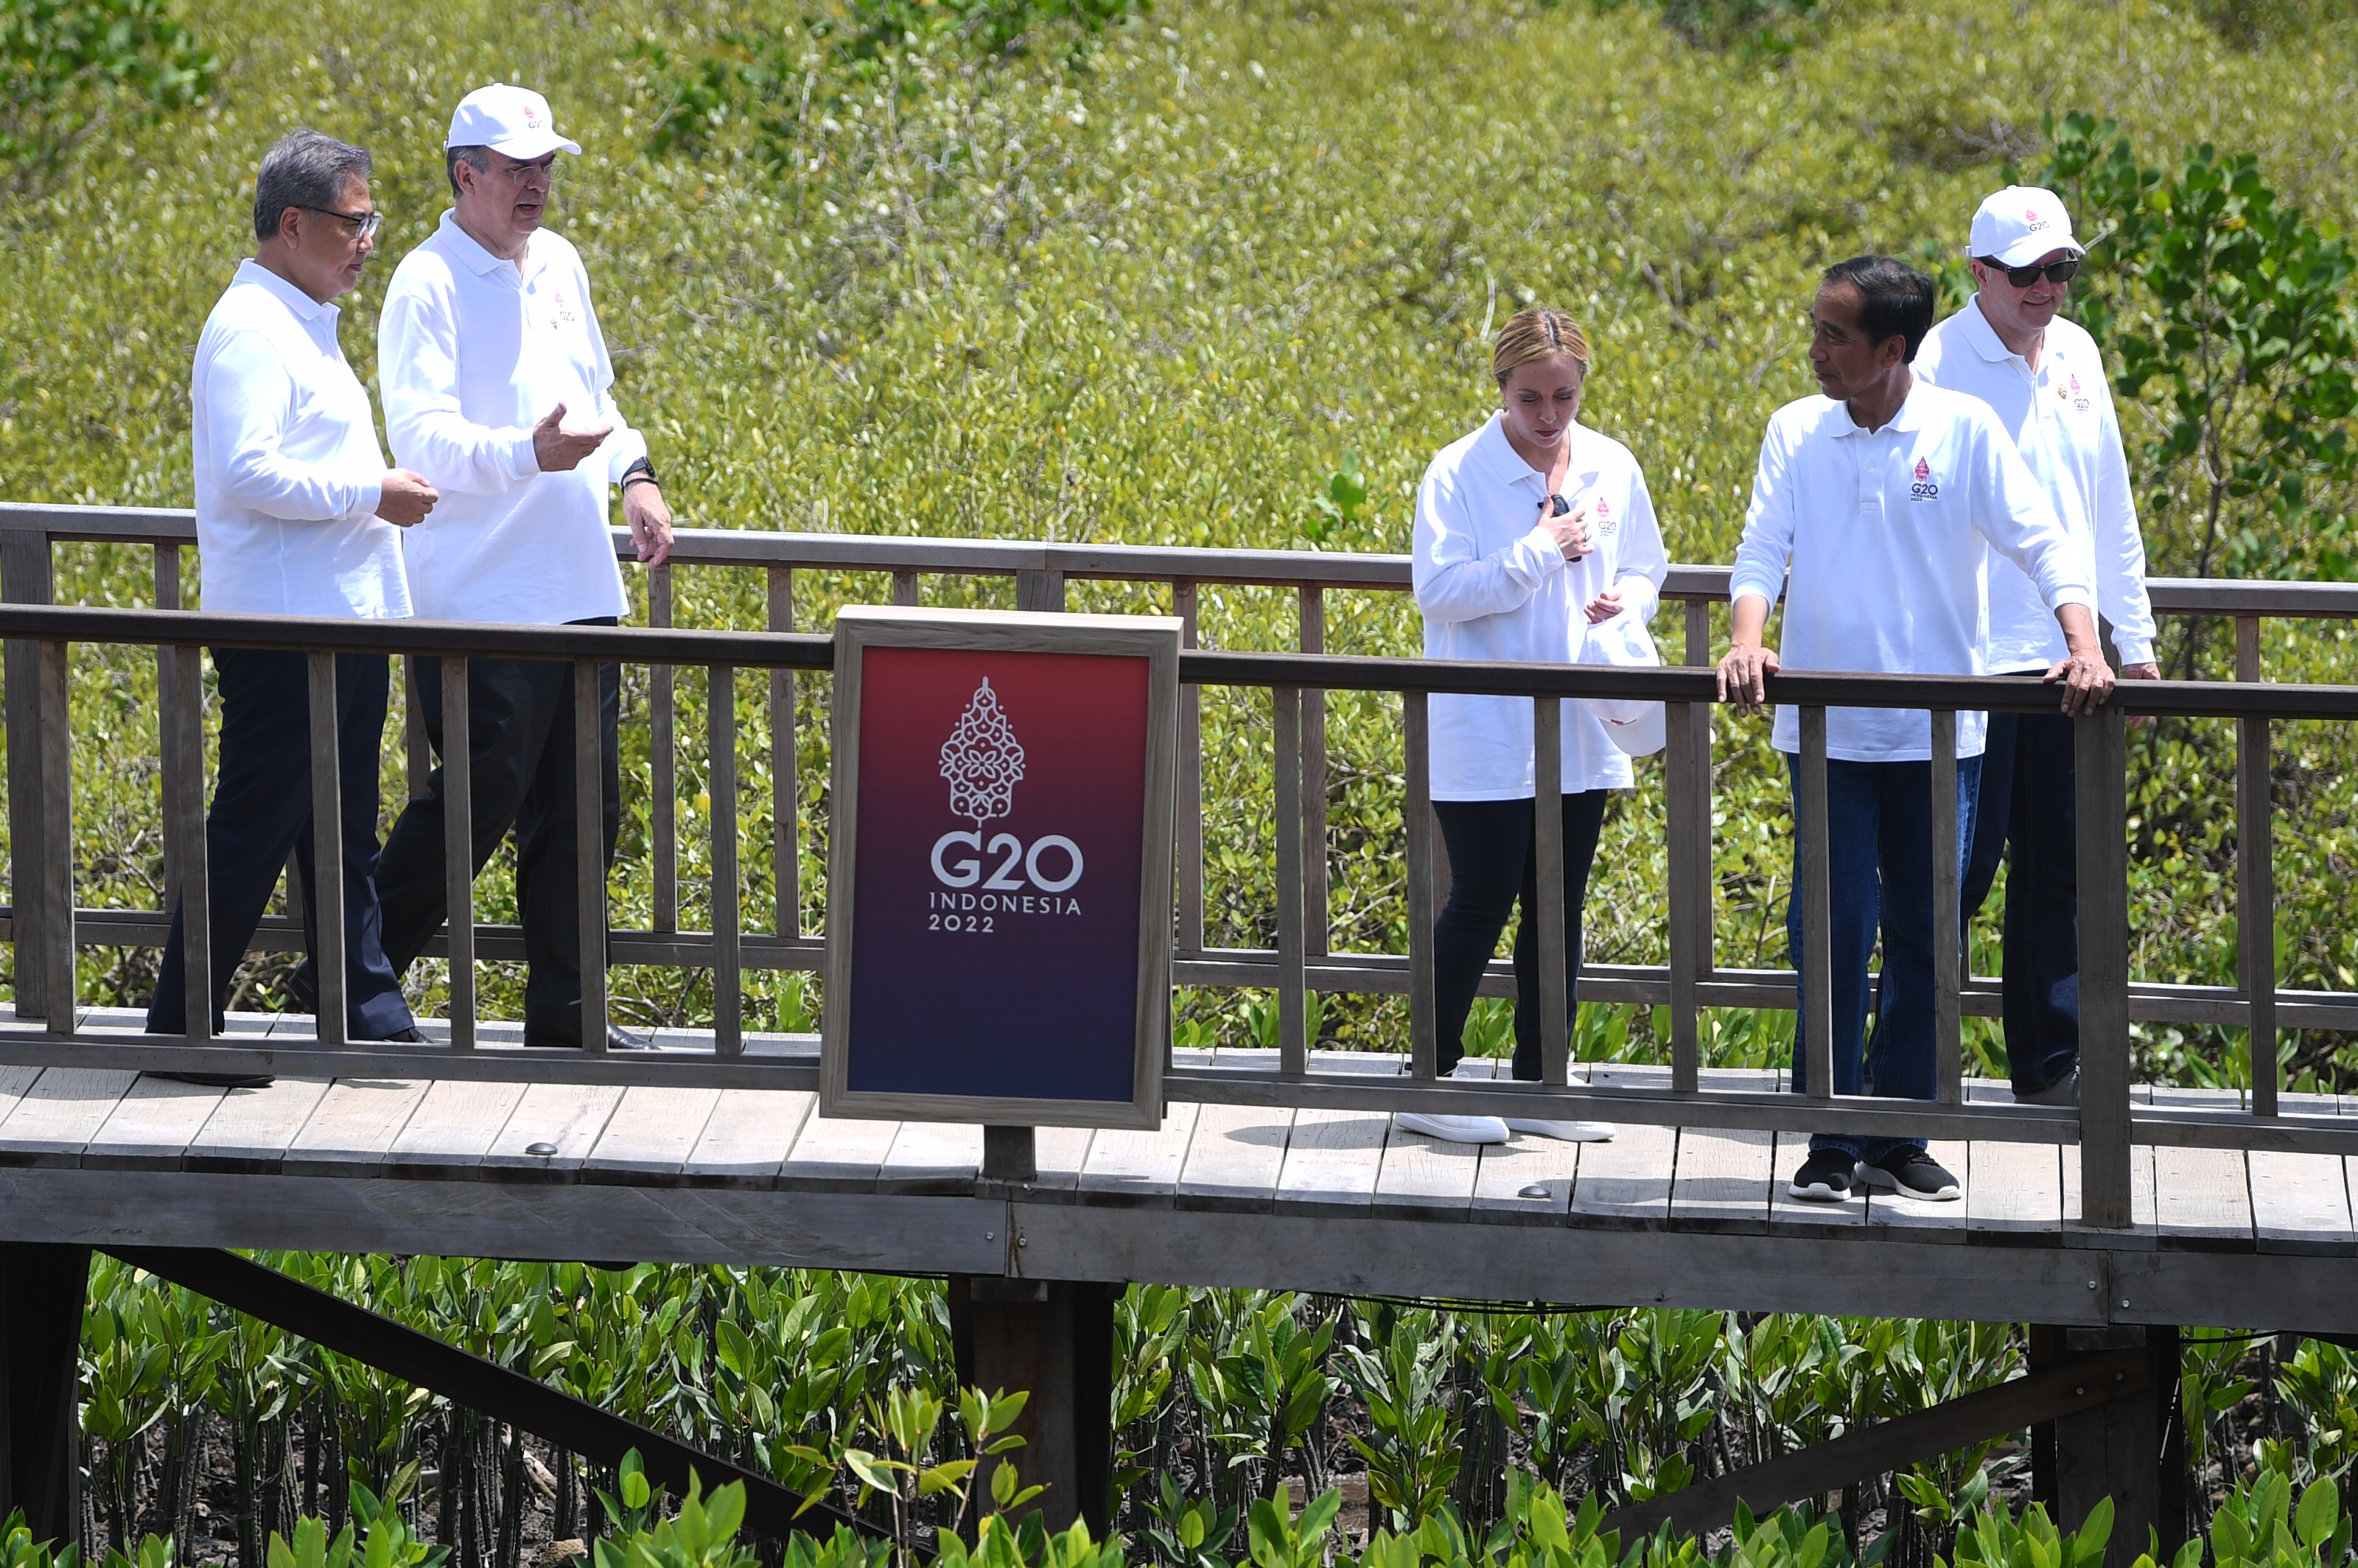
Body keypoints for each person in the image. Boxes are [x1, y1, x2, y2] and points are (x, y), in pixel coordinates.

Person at [1717, 256, 2114, 1204]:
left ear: (1891, 350)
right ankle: (1828, 1135)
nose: (1813, 350)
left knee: (1927, 933)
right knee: (1832, 929)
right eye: (1813, 328)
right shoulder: (1795, 432)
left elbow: (2043, 539)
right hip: (1825, 735)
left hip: (1940, 739)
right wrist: (1745, 641)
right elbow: (1760, 549)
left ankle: (1898, 1136)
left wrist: (2082, 644)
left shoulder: (1960, 428)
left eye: (1832, 336)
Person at [360, 83, 674, 1049]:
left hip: (578, 582)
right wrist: (523, 455)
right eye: (516, 168)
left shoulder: (562, 265)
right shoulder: (426, 280)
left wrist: (637, 475)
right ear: (467, 174)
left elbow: (599, 398)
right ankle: (347, 979)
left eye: (546, 165)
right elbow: (418, 441)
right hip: (476, 594)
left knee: (586, 804)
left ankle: (568, 1016)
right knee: (478, 795)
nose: (537, 183)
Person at [148, 129, 438, 1073]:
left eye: (371, 221)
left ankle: (364, 1009)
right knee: (256, 824)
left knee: (342, 825)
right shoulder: (250, 328)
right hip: (282, 629)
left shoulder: (303, 319)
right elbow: (247, 470)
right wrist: (373, 494)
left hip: (339, 622)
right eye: (353, 223)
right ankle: (181, 1026)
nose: (367, 241)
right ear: (292, 225)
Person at [1914, 187, 2160, 1108]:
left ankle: (2048, 1063)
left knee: (2057, 863)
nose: (2047, 287)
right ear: (1977, 273)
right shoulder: (1936, 358)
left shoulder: (2079, 354)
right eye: (2027, 272)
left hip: (2070, 653)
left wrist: (2126, 634)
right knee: (1954, 869)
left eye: (2061, 268)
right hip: (1970, 657)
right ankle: (1910, 1065)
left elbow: (2108, 502)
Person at [1403, 307, 1668, 1145]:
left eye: (1564, 397)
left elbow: (1644, 565)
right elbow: (1437, 591)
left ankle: (1539, 1084)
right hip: (1484, 721)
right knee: (1480, 898)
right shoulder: (1455, 474)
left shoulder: (1610, 464)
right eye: (1530, 399)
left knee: (1558, 905)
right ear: (1500, 389)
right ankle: (1426, 1081)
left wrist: (1625, 600)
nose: (1549, 416)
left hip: (1581, 720)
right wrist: (1537, 551)